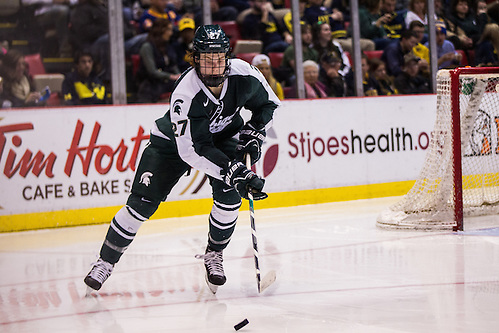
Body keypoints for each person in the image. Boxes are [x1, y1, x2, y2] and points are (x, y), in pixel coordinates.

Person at [83, 24, 280, 293]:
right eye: (206, 60)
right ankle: (104, 263)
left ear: (227, 57)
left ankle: (215, 254)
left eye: (218, 59)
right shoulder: (185, 93)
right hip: (173, 144)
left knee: (230, 197)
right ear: (195, 60)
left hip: (222, 137)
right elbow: (192, 150)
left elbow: (269, 103)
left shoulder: (244, 74)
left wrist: (253, 132)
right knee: (141, 204)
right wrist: (231, 170)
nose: (213, 66)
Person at [135, 19, 181, 103]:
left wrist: (180, 76)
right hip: (150, 87)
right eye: (169, 30)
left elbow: (173, 65)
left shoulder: (168, 47)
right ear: (161, 30)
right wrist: (170, 76)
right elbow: (152, 71)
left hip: (165, 85)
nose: (171, 33)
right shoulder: (147, 47)